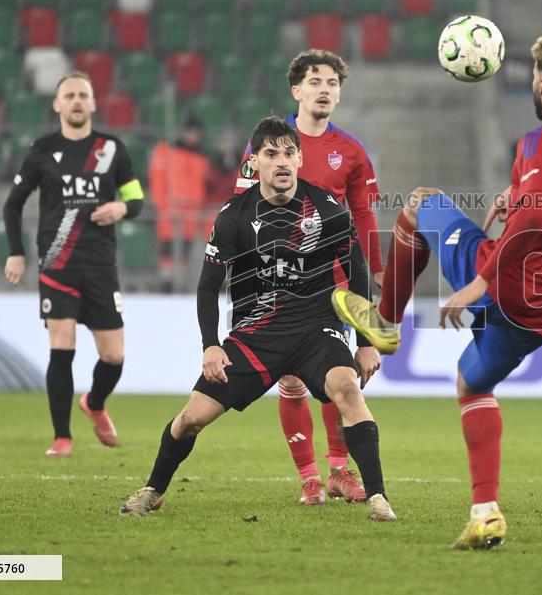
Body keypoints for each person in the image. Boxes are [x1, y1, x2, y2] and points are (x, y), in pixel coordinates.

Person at [331, 32, 542, 548]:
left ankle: (385, 321)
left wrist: (479, 282)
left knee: (420, 203)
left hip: (508, 278)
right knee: (472, 385)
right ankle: (485, 513)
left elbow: (536, 215)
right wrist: (525, 186)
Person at [119, 116, 396, 523]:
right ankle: (153, 489)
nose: (281, 162)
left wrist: (366, 340)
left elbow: (355, 270)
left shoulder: (327, 208)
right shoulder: (233, 216)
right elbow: (207, 285)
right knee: (190, 419)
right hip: (256, 335)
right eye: (271, 154)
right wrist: (210, 345)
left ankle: (377, 497)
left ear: (300, 159)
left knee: (347, 389)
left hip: (315, 328)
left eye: (288, 153)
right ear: (255, 163)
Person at [233, 50, 383, 505]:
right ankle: (310, 478)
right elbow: (241, 205)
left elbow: (363, 216)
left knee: (339, 378)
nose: (325, 89)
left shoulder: (352, 151)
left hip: (333, 282)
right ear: (296, 90)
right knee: (292, 382)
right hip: (275, 281)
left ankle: (339, 470)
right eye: (315, 81)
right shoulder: (270, 144)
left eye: (333, 83)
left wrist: (374, 271)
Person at [3, 70, 145, 457]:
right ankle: (61, 436)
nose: (77, 101)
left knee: (114, 356)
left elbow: (137, 198)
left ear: (94, 103)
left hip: (100, 264)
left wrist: (121, 207)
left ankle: (94, 403)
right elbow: (13, 204)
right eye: (70, 95)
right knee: (61, 346)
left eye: (84, 94)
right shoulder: (41, 150)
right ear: (58, 104)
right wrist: (16, 252)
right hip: (57, 262)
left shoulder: (112, 149)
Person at [148, 115, 210, 292]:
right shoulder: (166, 152)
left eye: (195, 133)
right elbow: (157, 180)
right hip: (171, 207)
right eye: (189, 132)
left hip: (193, 210)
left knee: (185, 248)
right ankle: (166, 281)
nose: (192, 136)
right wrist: (162, 204)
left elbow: (204, 186)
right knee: (167, 247)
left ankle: (180, 281)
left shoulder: (202, 158)